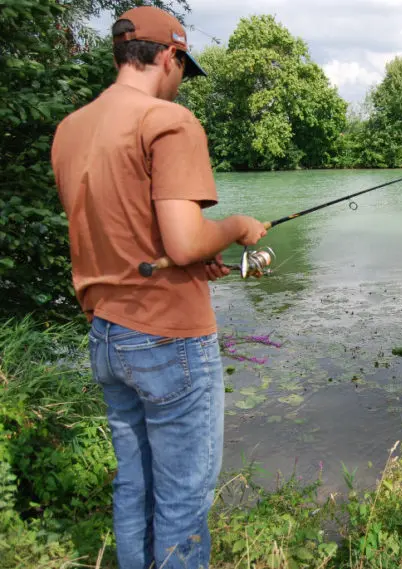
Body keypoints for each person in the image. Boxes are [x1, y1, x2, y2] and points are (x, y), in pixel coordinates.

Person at [50, 6, 267, 569]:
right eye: (182, 68)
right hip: (169, 340)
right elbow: (181, 238)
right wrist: (237, 229)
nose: (180, 83)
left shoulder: (71, 129)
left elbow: (124, 237)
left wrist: (194, 258)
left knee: (135, 485)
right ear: (168, 55)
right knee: (182, 499)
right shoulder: (168, 121)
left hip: (106, 335)